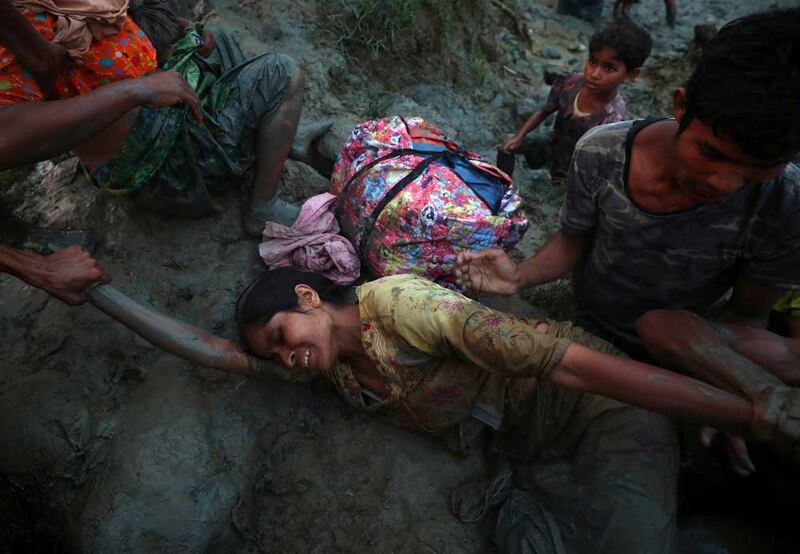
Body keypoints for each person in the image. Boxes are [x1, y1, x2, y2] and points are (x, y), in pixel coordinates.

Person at [84, 267, 800, 554]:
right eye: (276, 356)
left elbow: (575, 364)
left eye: (283, 338)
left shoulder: (402, 308)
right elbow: (216, 356)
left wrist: (743, 411)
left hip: (600, 413)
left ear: (308, 298)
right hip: (528, 452)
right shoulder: (331, 369)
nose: (287, 358)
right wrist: (98, 294)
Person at [457, 8, 800, 417]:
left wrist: (716, 379)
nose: (723, 183)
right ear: (681, 106)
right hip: (588, 320)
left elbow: (746, 316)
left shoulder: (786, 204)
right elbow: (572, 239)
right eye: (711, 152)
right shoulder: (602, 152)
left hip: (684, 357)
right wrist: (520, 275)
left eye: (757, 169)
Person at [0, 0, 304, 230]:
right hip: (167, 169)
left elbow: (123, 24)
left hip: (169, 117)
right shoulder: (18, 32)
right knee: (281, 71)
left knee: (218, 39)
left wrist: (182, 29)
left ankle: (276, 136)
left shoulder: (69, 5)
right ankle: (262, 209)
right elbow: (8, 135)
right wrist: (136, 91)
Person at [496, 20, 650, 182]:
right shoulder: (570, 83)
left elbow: (600, 166)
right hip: (553, 146)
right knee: (507, 146)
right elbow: (544, 111)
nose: (594, 74)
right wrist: (518, 137)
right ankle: (501, 189)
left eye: (609, 68)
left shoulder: (612, 120)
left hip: (576, 169)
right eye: (592, 62)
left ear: (630, 75)